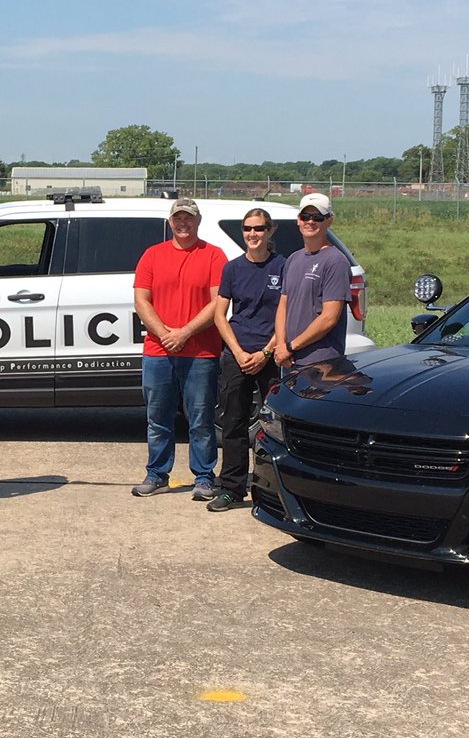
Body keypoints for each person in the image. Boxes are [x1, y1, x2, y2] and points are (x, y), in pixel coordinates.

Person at [131, 198, 228, 499]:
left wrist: (184, 332)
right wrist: (165, 334)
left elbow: (218, 302)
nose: (183, 223)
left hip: (200, 352)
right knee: (157, 418)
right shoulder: (152, 255)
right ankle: (157, 474)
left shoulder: (214, 256)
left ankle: (203, 477)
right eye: (178, 218)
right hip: (158, 352)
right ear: (170, 222)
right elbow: (141, 300)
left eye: (189, 218)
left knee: (200, 419)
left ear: (198, 221)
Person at [210, 207, 285, 512]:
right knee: (234, 424)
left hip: (270, 354)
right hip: (236, 355)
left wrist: (266, 352)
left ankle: (274, 489)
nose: (252, 234)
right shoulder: (232, 269)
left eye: (259, 228)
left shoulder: (283, 266)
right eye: (247, 229)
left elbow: (286, 314)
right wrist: (239, 353)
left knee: (274, 427)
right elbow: (219, 314)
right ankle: (232, 488)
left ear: (270, 231)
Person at [274, 192, 350, 370]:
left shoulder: (335, 261)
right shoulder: (293, 259)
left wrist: (291, 347)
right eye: (305, 216)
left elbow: (329, 318)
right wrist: (280, 346)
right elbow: (283, 306)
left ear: (329, 221)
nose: (310, 221)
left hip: (321, 362)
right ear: (298, 220)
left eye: (318, 217)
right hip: (290, 360)